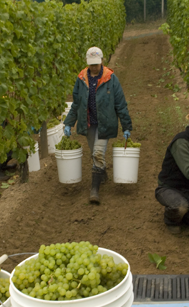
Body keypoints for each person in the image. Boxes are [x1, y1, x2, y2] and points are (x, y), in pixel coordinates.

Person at [63, 46, 133, 204]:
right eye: (91, 64)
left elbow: (120, 104)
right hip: (89, 123)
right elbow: (77, 103)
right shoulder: (82, 79)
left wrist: (126, 126)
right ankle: (101, 172)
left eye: (96, 64)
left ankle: (94, 191)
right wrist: (69, 123)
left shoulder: (111, 78)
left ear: (102, 61)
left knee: (98, 153)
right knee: (94, 153)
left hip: (105, 123)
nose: (94, 67)